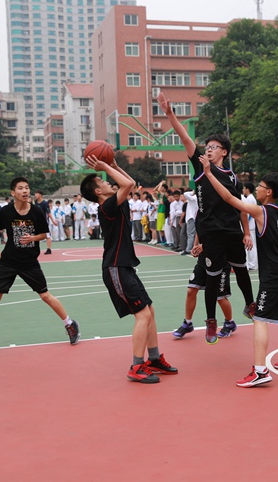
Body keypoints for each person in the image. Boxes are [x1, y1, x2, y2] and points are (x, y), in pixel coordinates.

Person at [201, 156, 278, 387]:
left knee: (259, 318)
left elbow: (229, 198)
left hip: (275, 273)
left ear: (268, 192)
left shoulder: (261, 212)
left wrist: (209, 174)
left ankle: (260, 371)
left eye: (260, 186)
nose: (256, 188)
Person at [159, 91, 255, 344]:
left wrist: (246, 232)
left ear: (224, 152)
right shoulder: (201, 168)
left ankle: (250, 305)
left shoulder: (232, 176)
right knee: (212, 279)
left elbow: (239, 206)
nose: (209, 150)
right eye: (207, 147)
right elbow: (185, 137)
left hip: (232, 230)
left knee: (242, 270)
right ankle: (211, 321)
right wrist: (170, 115)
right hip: (211, 232)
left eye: (214, 147)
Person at [81, 154, 177, 384]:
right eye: (102, 181)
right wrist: (105, 166)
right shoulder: (107, 206)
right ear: (98, 192)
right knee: (142, 314)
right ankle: (136, 366)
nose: (108, 182)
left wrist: (114, 166)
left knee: (149, 310)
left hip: (124, 266)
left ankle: (154, 359)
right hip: (115, 267)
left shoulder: (117, 201)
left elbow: (128, 183)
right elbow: (129, 184)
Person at [0, 177, 80, 351]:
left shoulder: (36, 212)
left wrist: (32, 238)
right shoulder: (6, 211)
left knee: (45, 296)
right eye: (21, 188)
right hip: (8, 261)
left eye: (27, 187)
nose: (25, 191)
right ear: (13, 193)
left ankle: (70, 323)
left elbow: (44, 234)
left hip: (29, 262)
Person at [173, 239, 237, 339]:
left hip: (220, 262)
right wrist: (195, 245)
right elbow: (198, 231)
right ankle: (187, 323)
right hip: (203, 261)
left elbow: (224, 238)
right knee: (191, 290)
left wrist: (206, 245)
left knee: (220, 297)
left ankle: (230, 323)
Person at [242, 182, 258, 270]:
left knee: (251, 245)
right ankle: (252, 263)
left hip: (250, 226)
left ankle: (252, 264)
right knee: (252, 244)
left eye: (244, 188)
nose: (243, 190)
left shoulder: (249, 199)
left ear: (247, 189)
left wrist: (245, 223)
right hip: (251, 225)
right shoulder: (250, 198)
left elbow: (250, 213)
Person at [34, 190, 53, 254]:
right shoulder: (36, 202)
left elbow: (48, 213)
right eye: (35, 194)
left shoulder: (45, 203)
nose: (35, 195)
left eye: (37, 194)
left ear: (40, 195)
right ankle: (36, 248)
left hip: (44, 221)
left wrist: (53, 221)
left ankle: (49, 249)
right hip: (37, 221)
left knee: (47, 235)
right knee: (37, 235)